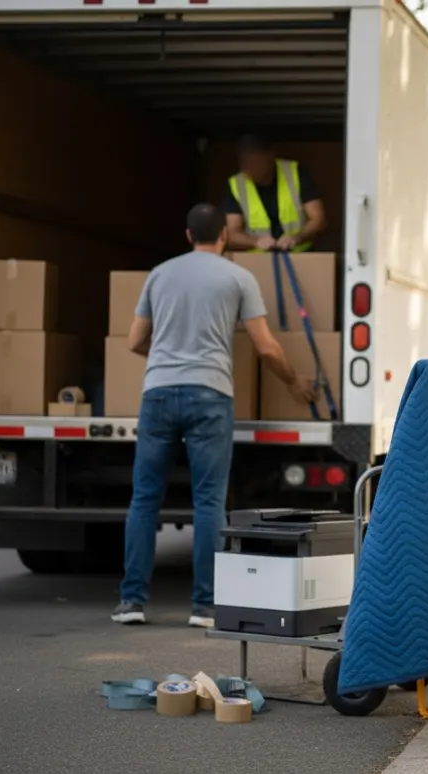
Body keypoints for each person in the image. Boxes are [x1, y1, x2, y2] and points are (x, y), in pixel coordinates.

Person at [112, 203, 317, 627]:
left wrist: (167, 357)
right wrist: (295, 382)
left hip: (159, 394)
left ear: (187, 236)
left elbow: (134, 340)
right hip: (210, 395)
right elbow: (265, 347)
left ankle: (132, 602)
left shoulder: (160, 273)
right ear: (224, 235)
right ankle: (204, 607)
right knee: (208, 502)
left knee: (144, 499)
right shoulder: (238, 277)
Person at [223, 133, 327, 253]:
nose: (251, 169)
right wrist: (255, 241)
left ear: (270, 156)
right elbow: (232, 234)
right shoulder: (236, 184)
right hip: (259, 262)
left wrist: (297, 237)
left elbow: (318, 220)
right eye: (246, 164)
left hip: (299, 257)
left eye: (257, 163)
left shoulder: (295, 173)